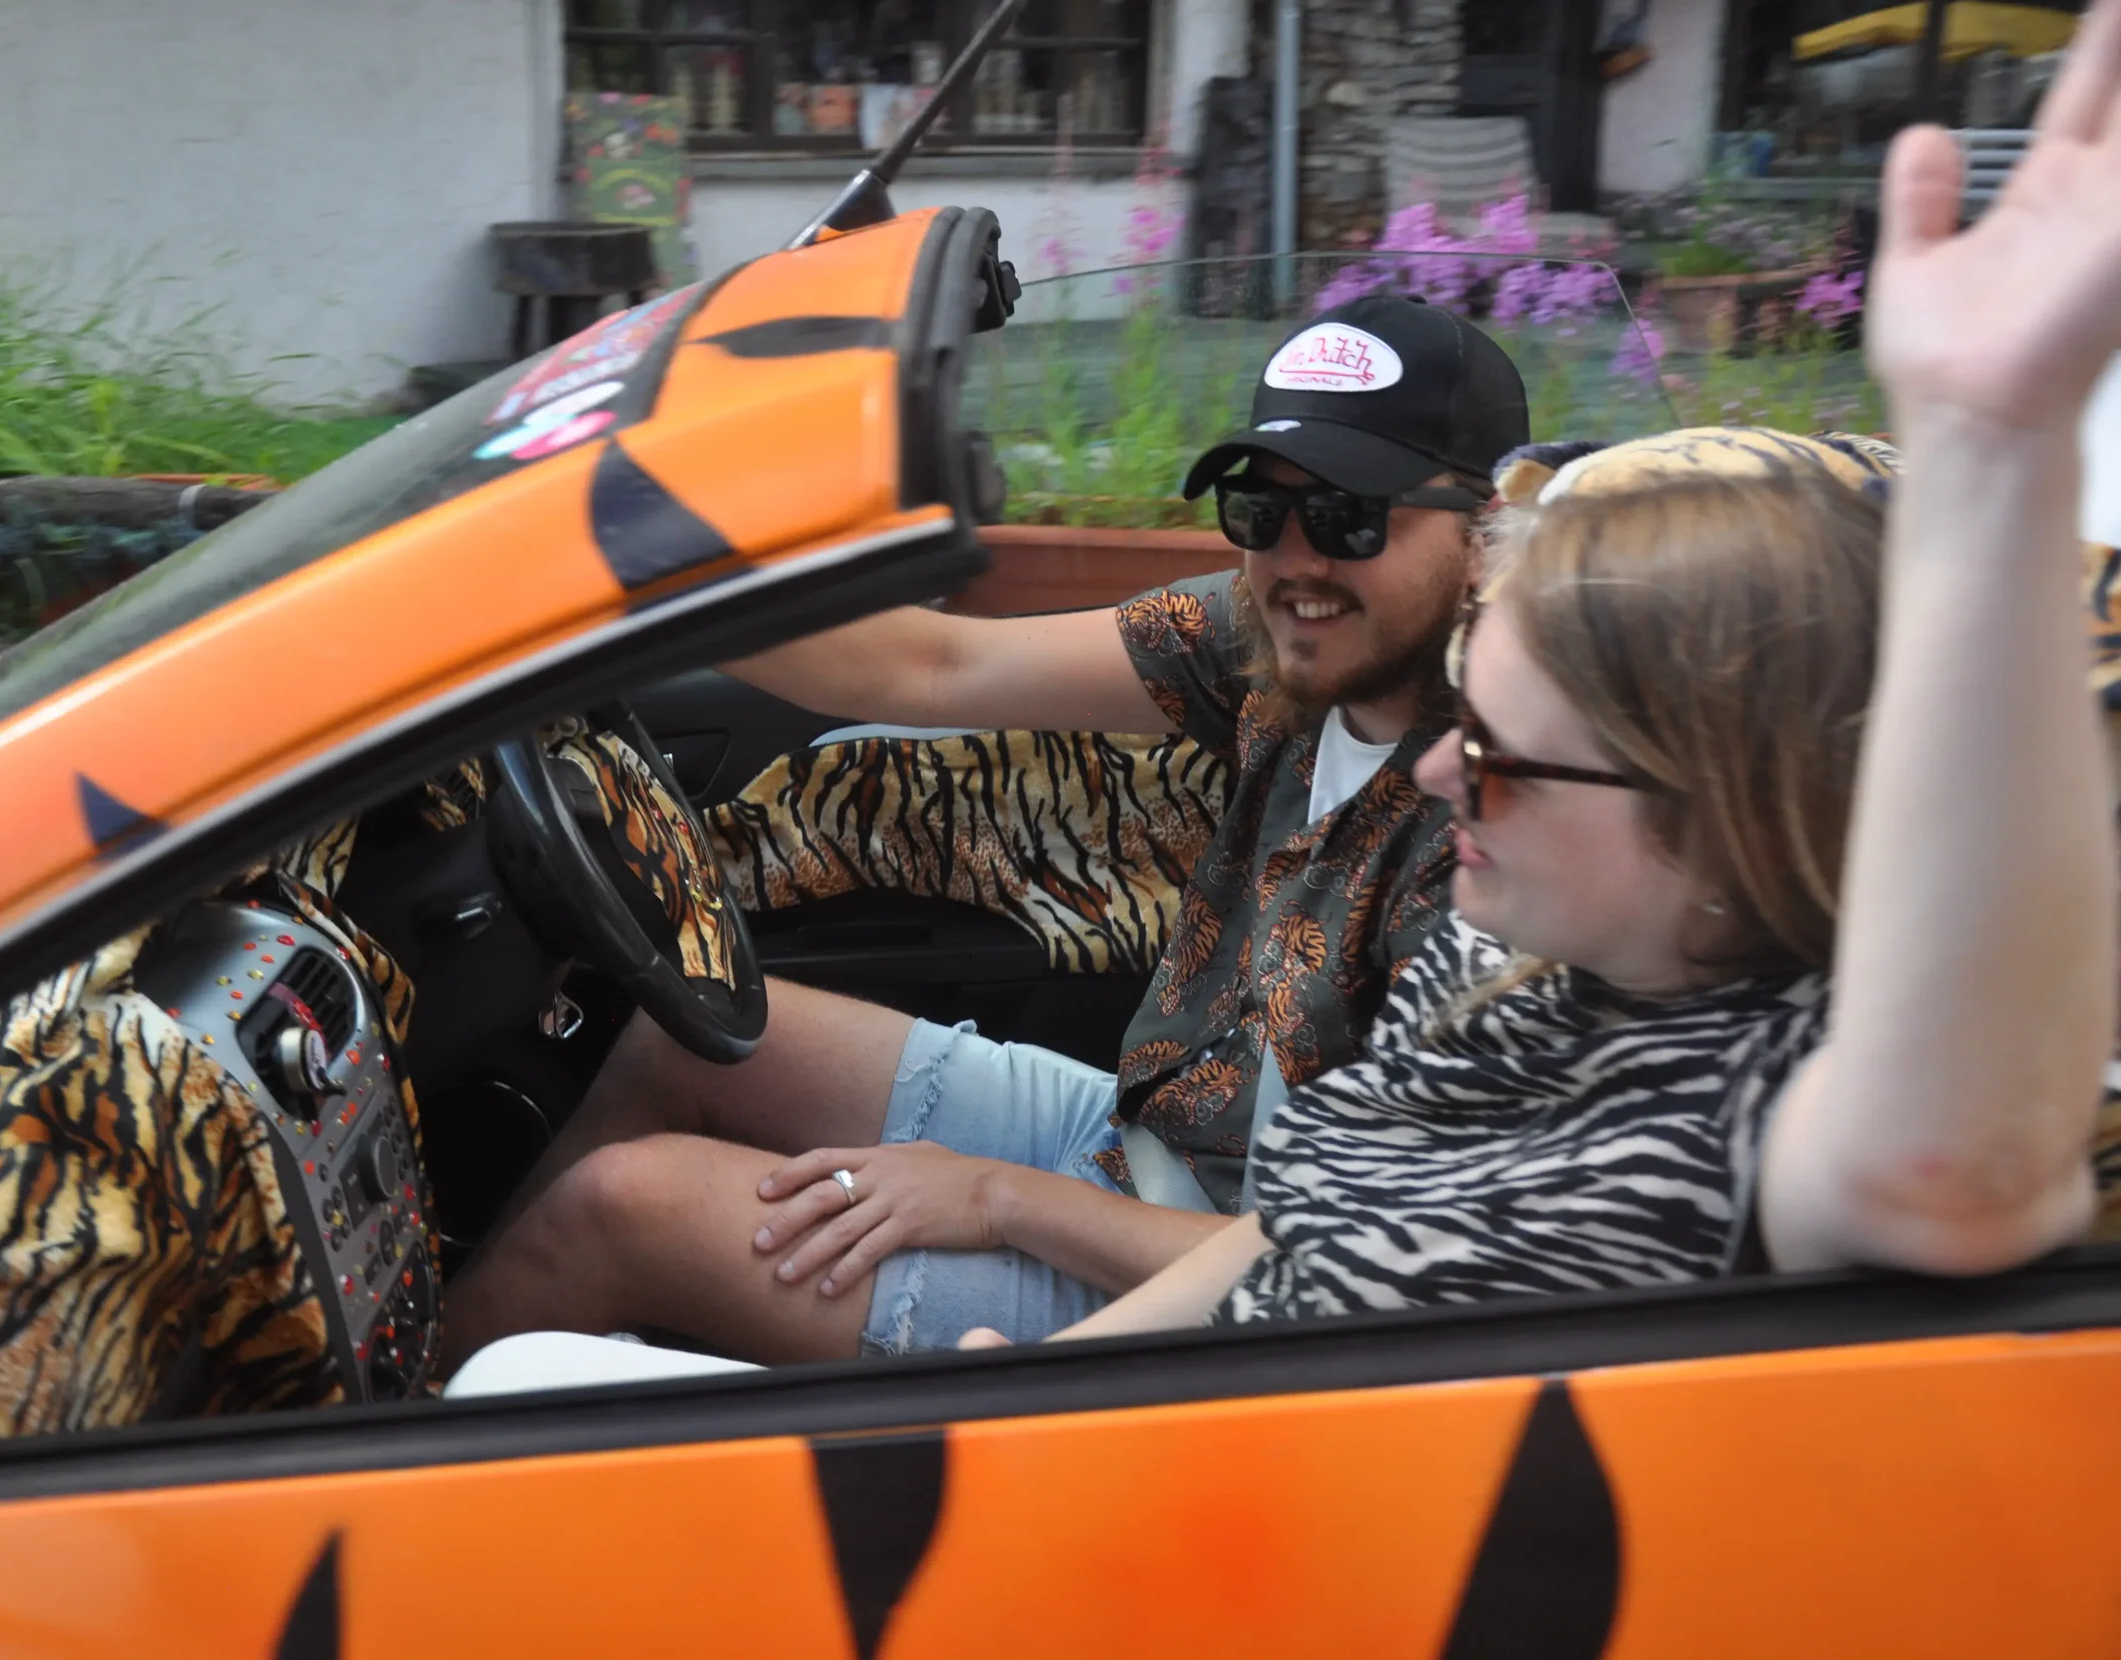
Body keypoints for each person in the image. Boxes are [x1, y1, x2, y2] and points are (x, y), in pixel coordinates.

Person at [961, 20, 2121, 1348]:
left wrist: (1993, 453)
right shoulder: (1500, 956)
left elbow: (1950, 1166)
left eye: (1504, 752)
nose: (1443, 765)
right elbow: (1284, 1242)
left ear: (1720, 817)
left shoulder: (1747, 1100)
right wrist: (1054, 1382)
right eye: (1470, 704)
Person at [442, 295, 1529, 1362]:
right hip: (1130, 1135)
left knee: (621, 1209)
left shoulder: (1496, 834)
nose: (1296, 559)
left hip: (1210, 1297)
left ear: (1487, 536)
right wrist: (606, 552)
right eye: (1261, 509)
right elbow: (934, 663)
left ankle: (347, 1477)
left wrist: (996, 1200)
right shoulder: (1266, 639)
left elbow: (1319, 1268)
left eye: (1349, 516)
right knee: (676, 1040)